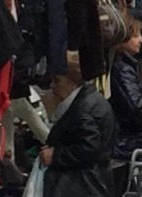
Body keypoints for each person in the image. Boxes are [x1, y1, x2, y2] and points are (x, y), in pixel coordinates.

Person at [39, 55, 117, 197]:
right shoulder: (92, 100)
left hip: (82, 186)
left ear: (72, 83)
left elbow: (88, 148)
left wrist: (55, 156)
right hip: (94, 183)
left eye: (57, 81)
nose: (53, 87)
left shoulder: (82, 110)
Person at [111, 17, 142, 160]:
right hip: (127, 143)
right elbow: (136, 107)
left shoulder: (123, 66)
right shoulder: (123, 69)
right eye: (136, 36)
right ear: (123, 39)